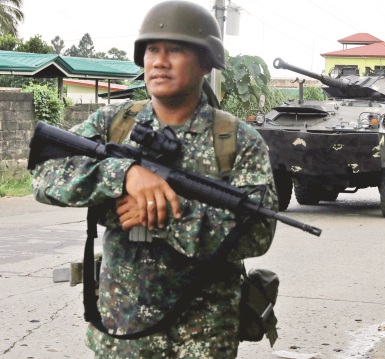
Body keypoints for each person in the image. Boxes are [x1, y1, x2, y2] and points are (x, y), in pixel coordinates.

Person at [30, 1, 278, 357]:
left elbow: (257, 233)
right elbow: (44, 173)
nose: (159, 61)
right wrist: (123, 174)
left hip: (203, 337)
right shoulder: (112, 124)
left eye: (175, 49)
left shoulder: (236, 139)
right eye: (151, 50)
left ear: (206, 61)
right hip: (121, 333)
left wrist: (162, 214)